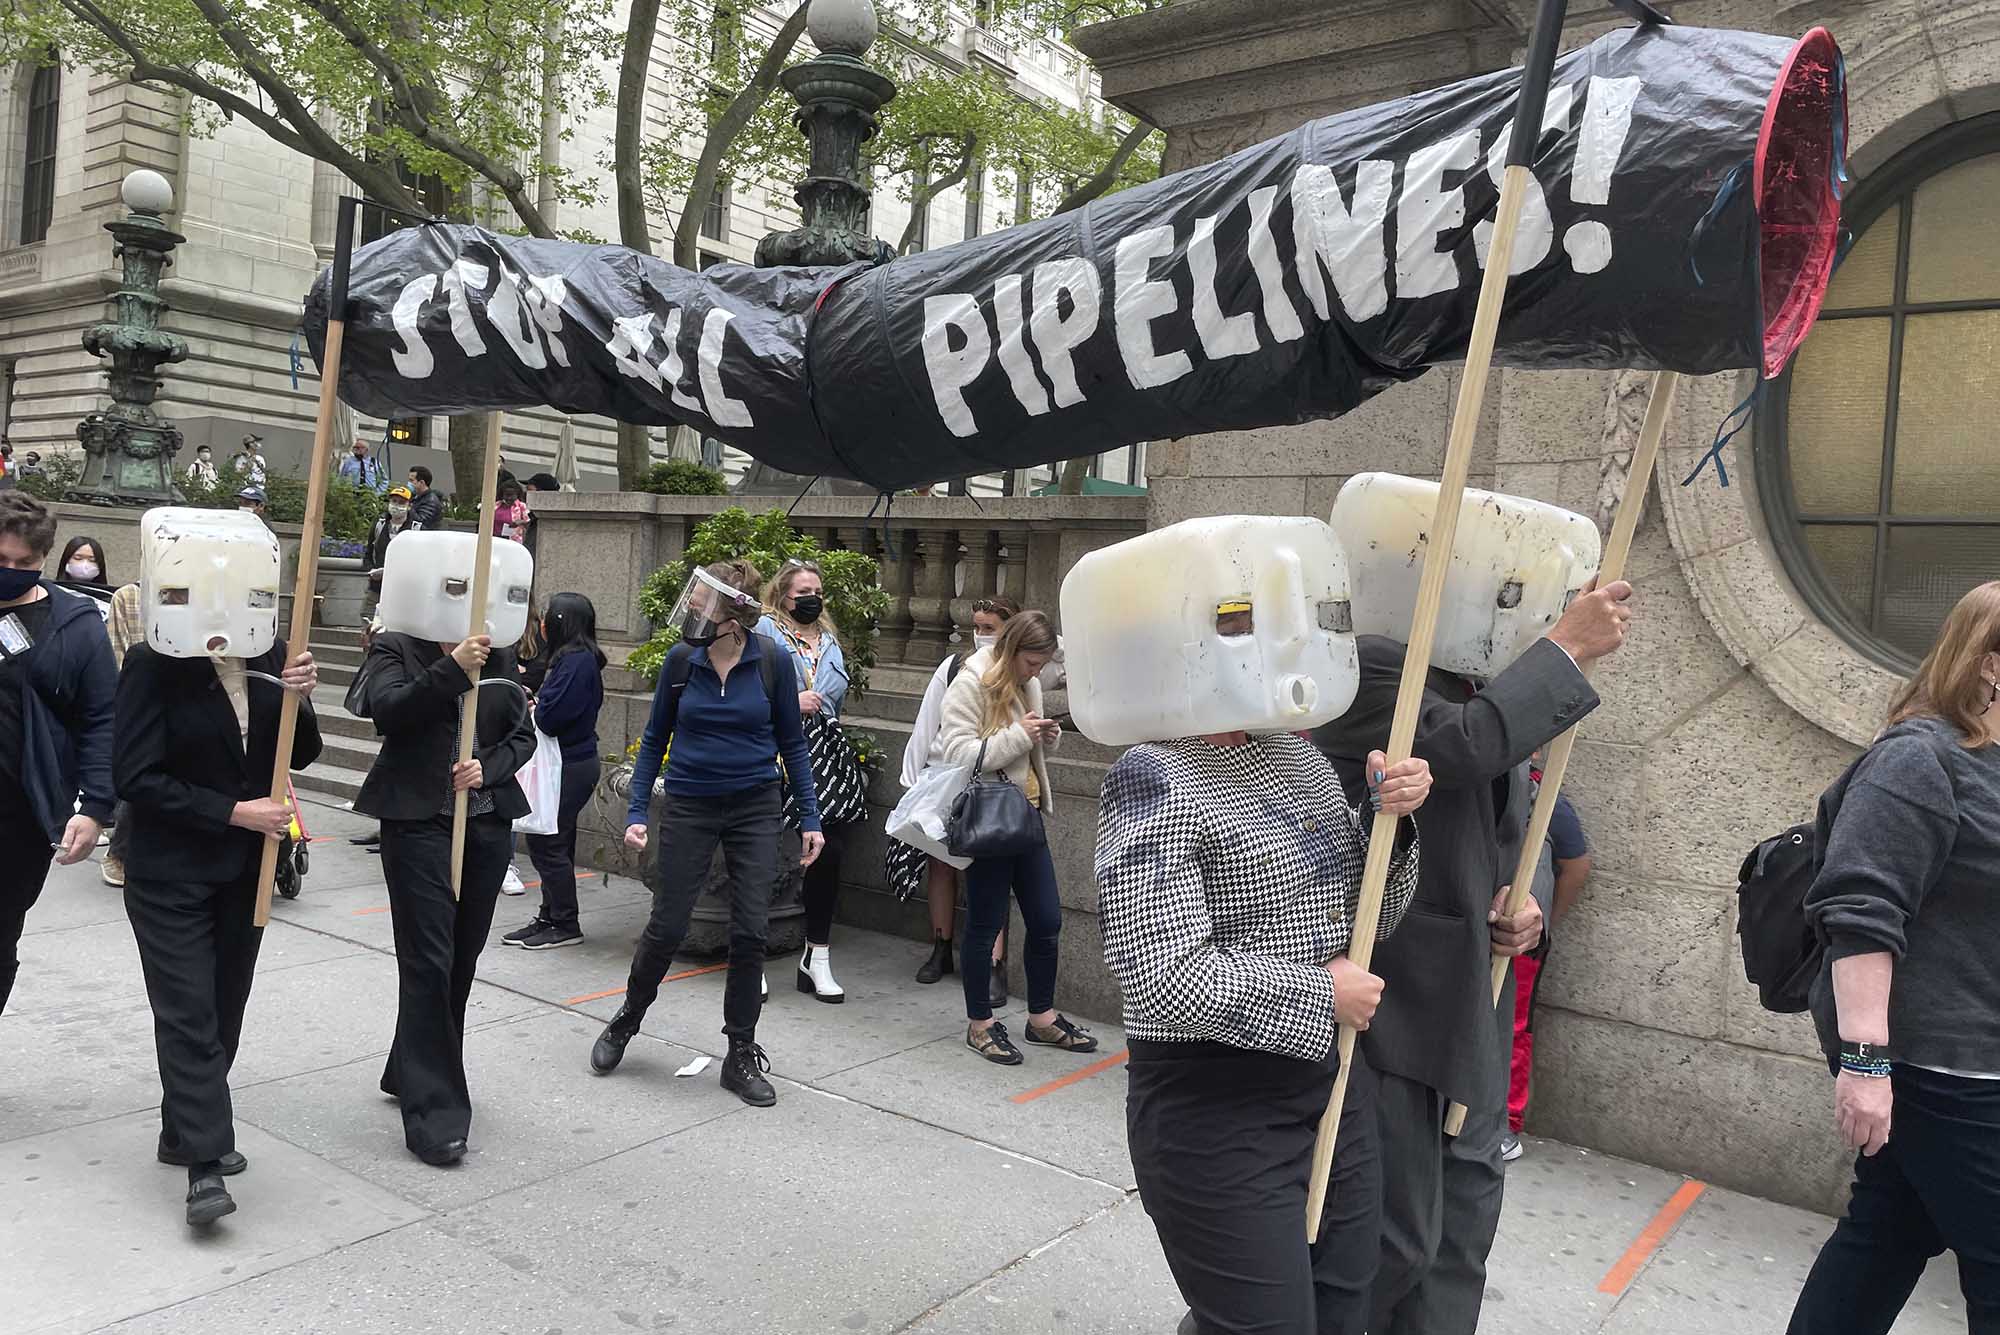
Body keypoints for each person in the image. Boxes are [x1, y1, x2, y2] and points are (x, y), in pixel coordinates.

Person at [1099, 601, 1434, 1335]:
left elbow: (1369, 922)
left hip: (1331, 1088)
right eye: (1235, 634)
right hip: (1213, 1110)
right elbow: (1162, 975)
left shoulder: (1295, 753)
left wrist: (1391, 824)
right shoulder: (1150, 773)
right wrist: (1323, 992)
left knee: (1346, 1306)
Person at [1311, 579, 1633, 1335]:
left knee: (1464, 1225)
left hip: (1475, 1002)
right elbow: (1460, 744)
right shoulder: (1372, 663)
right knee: (1389, 1238)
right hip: (1395, 1006)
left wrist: (1527, 905)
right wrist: (1566, 647)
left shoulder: (1494, 678)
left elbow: (1518, 827)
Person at [1787, 581, 2000, 1335]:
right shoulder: (1920, 760)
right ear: (1990, 666)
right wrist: (1867, 1065)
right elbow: (1861, 913)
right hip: (1939, 1065)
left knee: (1888, 1231)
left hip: (1979, 1056)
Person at [590, 559, 824, 1107]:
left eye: (702, 604)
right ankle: (627, 1018)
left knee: (750, 931)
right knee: (667, 924)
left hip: (754, 806)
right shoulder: (681, 661)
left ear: (733, 616)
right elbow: (653, 740)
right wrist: (638, 811)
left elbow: (793, 745)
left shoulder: (770, 662)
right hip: (691, 804)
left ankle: (740, 1051)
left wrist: (809, 818)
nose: (692, 610)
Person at [116, 600, 320, 1226]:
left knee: (225, 1003)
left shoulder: (267, 652)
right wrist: (234, 811)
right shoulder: (156, 660)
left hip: (243, 872)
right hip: (167, 869)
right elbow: (134, 776)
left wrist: (299, 696)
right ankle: (206, 1161)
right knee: (189, 1013)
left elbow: (301, 752)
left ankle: (182, 1131)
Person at [355, 619, 538, 1166]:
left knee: (460, 960)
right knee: (428, 960)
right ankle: (436, 1114)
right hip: (417, 822)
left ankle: (406, 1065)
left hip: (484, 824)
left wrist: (489, 768)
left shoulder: (497, 649)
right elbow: (388, 710)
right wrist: (453, 666)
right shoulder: (397, 644)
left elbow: (522, 734)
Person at [933, 610, 1095, 1065]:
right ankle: (980, 1024)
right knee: (985, 923)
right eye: (1032, 662)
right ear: (1010, 651)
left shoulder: (1030, 684)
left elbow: (1025, 749)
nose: (1037, 672)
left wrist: (1045, 736)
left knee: (1046, 920)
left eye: (1042, 664)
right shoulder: (971, 683)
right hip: (989, 818)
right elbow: (958, 753)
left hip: (1025, 814)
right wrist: (1019, 736)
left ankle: (1041, 1018)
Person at [0, 492, 117, 1015]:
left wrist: (94, 809)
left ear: (43, 559)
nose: (9, 571)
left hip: (21, 814)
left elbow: (102, 718)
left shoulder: (76, 621)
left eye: (23, 563)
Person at [903, 595, 1018, 998]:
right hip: (945, 778)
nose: (981, 635)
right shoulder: (954, 667)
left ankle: (993, 962)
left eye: (990, 627)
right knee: (941, 866)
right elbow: (926, 722)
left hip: (993, 781)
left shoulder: (1019, 673)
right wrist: (913, 780)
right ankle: (941, 947)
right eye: (978, 627)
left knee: (988, 873)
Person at [756, 560, 857, 1003]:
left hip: (821, 753)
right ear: (782, 596)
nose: (812, 598)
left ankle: (816, 956)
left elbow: (835, 701)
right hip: (771, 744)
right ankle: (750, 956)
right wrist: (789, 700)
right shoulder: (763, 632)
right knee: (760, 849)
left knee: (827, 850)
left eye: (817, 590)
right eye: (803, 592)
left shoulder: (830, 643)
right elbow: (744, 687)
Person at [502, 593, 605, 951]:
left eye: (548, 617)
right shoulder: (572, 660)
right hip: (569, 761)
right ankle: (551, 914)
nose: (543, 624)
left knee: (548, 841)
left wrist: (538, 703)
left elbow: (551, 717)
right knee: (554, 840)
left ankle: (563, 921)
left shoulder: (577, 662)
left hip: (570, 763)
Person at [1504, 785, 1589, 1161]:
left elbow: (1576, 866)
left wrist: (1546, 920)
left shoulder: (1549, 800)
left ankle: (1506, 1122)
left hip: (1521, 939)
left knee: (1513, 1025)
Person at [101, 581, 145, 889]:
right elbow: (116, 650)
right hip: (140, 698)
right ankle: (118, 853)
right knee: (139, 778)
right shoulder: (129, 597)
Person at [363, 485, 415, 623]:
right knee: (368, 623)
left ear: (409, 506)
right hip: (376, 588)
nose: (396, 506)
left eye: (402, 502)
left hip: (403, 590)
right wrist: (371, 571)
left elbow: (420, 561)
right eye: (394, 501)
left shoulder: (417, 529)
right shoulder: (379, 525)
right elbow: (368, 553)